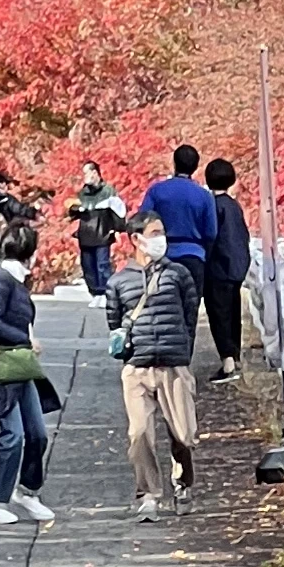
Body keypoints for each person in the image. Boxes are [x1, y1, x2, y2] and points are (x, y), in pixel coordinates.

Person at [109, 211, 201, 514]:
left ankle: (183, 482)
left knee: (183, 435)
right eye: (155, 232)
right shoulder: (119, 282)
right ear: (136, 239)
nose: (161, 238)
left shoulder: (178, 274)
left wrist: (182, 354)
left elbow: (190, 317)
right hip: (137, 367)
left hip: (173, 365)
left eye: (162, 232)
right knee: (139, 433)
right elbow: (115, 326)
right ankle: (148, 494)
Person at [0, 227, 55, 525]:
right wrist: (24, 339)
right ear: (28, 252)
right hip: (1, 368)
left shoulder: (14, 280)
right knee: (13, 435)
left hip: (19, 366)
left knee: (38, 434)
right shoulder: (1, 282)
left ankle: (28, 491)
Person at [198, 154, 254, 380]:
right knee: (233, 312)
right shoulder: (234, 206)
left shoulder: (211, 206)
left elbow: (210, 237)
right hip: (237, 266)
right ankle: (235, 357)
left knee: (218, 314)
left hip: (217, 267)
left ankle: (228, 362)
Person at [134, 140, 222, 278]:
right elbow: (211, 233)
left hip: (163, 254)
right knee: (191, 298)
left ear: (174, 163)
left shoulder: (156, 190)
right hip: (194, 256)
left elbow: (142, 221)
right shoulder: (205, 196)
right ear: (195, 167)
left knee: (165, 297)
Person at [69, 163, 125, 299]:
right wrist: (75, 210)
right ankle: (95, 293)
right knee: (87, 265)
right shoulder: (82, 193)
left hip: (103, 233)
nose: (84, 177)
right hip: (85, 232)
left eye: (86, 173)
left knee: (102, 265)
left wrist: (117, 229)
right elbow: (72, 212)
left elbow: (120, 212)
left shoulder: (108, 192)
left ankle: (105, 293)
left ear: (95, 173)